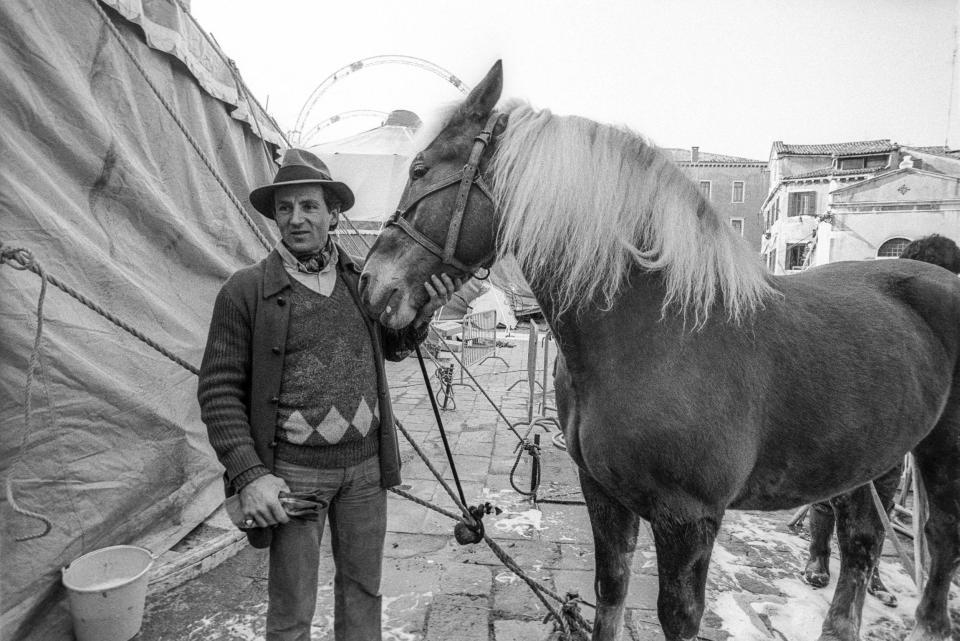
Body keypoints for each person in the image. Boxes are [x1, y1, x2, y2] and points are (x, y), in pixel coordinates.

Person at [198, 149, 460, 641]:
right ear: (275, 216)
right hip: (294, 473)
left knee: (364, 593)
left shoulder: (360, 279)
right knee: (292, 608)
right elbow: (217, 391)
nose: (297, 219)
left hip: (364, 471)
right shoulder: (245, 290)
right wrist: (250, 474)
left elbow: (393, 345)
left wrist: (426, 309)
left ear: (332, 213)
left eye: (309, 206)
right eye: (285, 208)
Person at [802, 233, 960, 606]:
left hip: (896, 429)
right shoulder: (873, 305)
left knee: (877, 508)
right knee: (827, 496)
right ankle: (818, 554)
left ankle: (865, 572)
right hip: (848, 424)